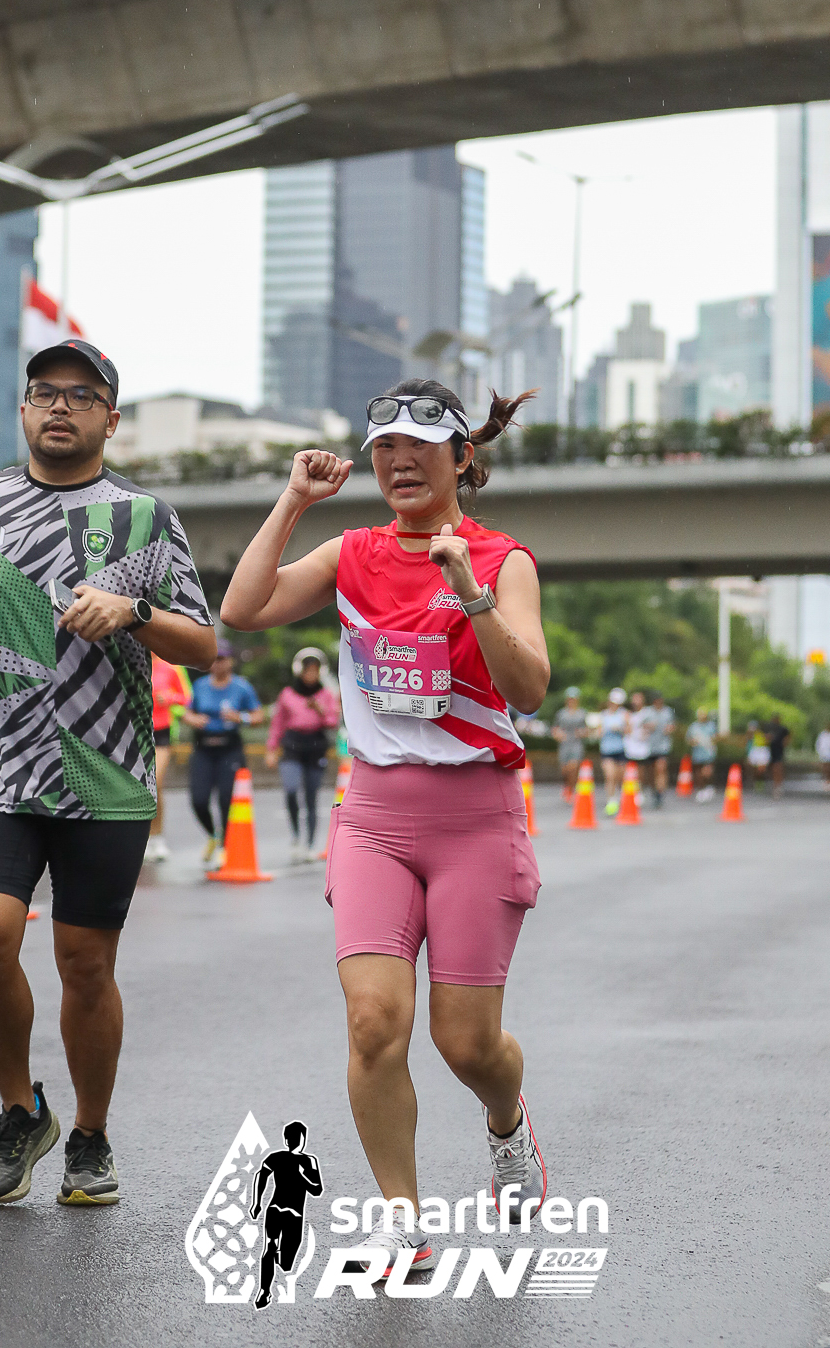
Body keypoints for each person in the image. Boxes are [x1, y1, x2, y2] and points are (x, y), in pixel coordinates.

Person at [221, 379, 549, 1275]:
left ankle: (507, 1123)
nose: (401, 463)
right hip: (373, 816)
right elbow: (242, 610)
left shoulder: (503, 559)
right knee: (373, 1023)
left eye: (421, 448)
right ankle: (404, 1218)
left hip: (476, 818)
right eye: (385, 450)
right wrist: (294, 499)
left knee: (466, 1043)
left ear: (462, 458)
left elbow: (528, 689)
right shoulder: (353, 551)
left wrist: (469, 591)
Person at [0, 336, 216, 1208]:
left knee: (85, 964)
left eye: (80, 394)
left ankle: (91, 1135)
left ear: (111, 419)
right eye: (44, 392)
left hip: (105, 769)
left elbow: (203, 647)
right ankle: (20, 1111)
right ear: (24, 410)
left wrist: (134, 611)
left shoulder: (146, 517)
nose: (59, 405)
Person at [187, 642, 261, 867]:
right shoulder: (200, 686)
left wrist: (241, 718)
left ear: (230, 661)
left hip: (229, 747)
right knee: (199, 799)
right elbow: (186, 712)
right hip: (204, 746)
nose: (218, 664)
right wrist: (194, 719)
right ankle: (213, 834)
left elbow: (258, 715)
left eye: (222, 659)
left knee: (227, 798)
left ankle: (225, 847)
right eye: (215, 660)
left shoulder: (241, 687)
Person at [266, 647, 341, 863]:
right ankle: (295, 836)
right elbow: (278, 723)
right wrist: (272, 748)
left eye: (314, 671)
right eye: (307, 670)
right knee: (291, 789)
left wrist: (319, 709)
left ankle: (309, 843)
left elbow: (333, 721)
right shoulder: (287, 694)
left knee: (311, 796)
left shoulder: (326, 695)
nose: (311, 675)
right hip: (292, 745)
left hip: (315, 745)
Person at [249, 1119, 324, 1310]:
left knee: (286, 1263)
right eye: (293, 1137)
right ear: (287, 1140)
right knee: (269, 1246)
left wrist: (301, 1176)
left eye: (297, 1137)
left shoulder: (309, 1161)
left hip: (293, 1215)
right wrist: (257, 1202)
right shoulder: (278, 1157)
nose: (296, 1141)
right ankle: (264, 1291)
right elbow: (261, 1175)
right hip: (277, 1210)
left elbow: (317, 1190)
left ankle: (277, 1258)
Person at [145, 656, 191, 864]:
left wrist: (170, 697)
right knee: (137, 786)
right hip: (135, 730)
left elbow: (187, 699)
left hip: (161, 733)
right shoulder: (131, 659)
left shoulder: (172, 668)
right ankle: (142, 837)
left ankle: (157, 837)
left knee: (155, 782)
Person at [553, 685, 587, 800]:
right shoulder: (561, 714)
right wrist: (558, 735)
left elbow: (586, 729)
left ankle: (571, 789)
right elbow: (555, 728)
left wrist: (582, 733)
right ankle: (566, 785)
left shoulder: (582, 713)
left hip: (576, 743)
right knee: (565, 769)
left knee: (573, 767)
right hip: (565, 743)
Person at [599, 687, 628, 813]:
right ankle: (611, 800)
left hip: (620, 749)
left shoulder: (624, 714)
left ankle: (619, 796)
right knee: (610, 775)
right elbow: (598, 731)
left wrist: (620, 729)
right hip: (607, 750)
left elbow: (629, 731)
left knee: (619, 777)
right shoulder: (603, 715)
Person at [624, 691, 655, 802]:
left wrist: (645, 727)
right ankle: (630, 791)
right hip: (630, 746)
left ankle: (640, 790)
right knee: (630, 770)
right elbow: (626, 729)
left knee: (641, 771)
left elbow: (653, 725)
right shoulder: (628, 714)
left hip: (643, 747)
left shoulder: (647, 713)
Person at [687, 705, 718, 801]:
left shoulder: (711, 726)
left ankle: (708, 786)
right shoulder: (693, 727)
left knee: (707, 772)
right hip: (698, 754)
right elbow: (689, 739)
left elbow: (716, 737)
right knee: (698, 773)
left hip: (708, 753)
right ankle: (701, 789)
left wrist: (711, 741)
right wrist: (693, 742)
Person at [650, 693, 675, 807]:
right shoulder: (648, 712)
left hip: (663, 746)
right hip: (650, 747)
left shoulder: (668, 712)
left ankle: (660, 793)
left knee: (661, 769)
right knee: (651, 772)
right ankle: (653, 790)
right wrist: (648, 726)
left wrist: (670, 729)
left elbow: (673, 725)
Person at [765, 714, 790, 801]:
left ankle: (778, 785)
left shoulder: (782, 729)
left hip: (779, 750)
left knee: (777, 767)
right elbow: (766, 738)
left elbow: (787, 737)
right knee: (773, 768)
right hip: (771, 750)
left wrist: (784, 743)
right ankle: (775, 784)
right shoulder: (770, 729)